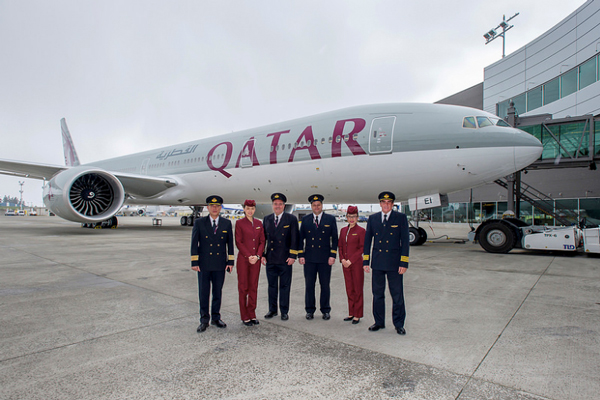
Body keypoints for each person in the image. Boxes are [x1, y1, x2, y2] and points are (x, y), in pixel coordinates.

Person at [363, 191, 409, 335]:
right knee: (377, 294)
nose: (386, 205)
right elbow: (367, 241)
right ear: (380, 204)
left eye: (389, 202)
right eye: (384, 202)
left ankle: (399, 324)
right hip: (377, 263)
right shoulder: (373, 218)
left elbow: (405, 242)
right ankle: (379, 322)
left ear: (393, 204)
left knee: (397, 295)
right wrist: (366, 261)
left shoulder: (400, 218)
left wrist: (404, 263)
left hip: (394, 263)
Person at [190, 195, 235, 333]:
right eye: (212, 206)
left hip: (220, 264)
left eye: (217, 206)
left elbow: (230, 244)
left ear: (220, 208)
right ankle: (204, 320)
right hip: (203, 264)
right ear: (208, 207)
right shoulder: (199, 222)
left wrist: (231, 261)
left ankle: (216, 318)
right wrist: (194, 261)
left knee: (217, 292)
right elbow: (194, 243)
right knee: (203, 293)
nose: (214, 208)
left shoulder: (226, 223)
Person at [298, 194, 338, 320]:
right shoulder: (305, 219)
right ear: (311, 206)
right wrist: (301, 255)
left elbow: (335, 239)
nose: (316, 207)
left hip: (325, 259)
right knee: (309, 285)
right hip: (309, 258)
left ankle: (325, 309)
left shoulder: (330, 219)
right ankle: (309, 310)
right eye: (314, 205)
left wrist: (333, 255)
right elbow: (300, 239)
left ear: (322, 206)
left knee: (325, 285)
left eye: (318, 205)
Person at [261, 193, 299, 321]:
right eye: (275, 204)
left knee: (284, 286)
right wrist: (262, 255)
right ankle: (272, 310)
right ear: (272, 205)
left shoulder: (291, 219)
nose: (278, 206)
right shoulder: (266, 219)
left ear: (284, 206)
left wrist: (293, 255)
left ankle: (284, 311)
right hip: (270, 259)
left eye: (280, 204)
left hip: (285, 259)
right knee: (271, 286)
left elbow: (295, 238)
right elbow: (263, 239)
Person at [235, 199, 265, 326]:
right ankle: (244, 315)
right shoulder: (239, 223)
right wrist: (249, 256)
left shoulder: (259, 223)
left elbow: (262, 241)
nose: (250, 211)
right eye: (248, 208)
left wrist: (258, 256)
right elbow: (238, 242)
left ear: (255, 209)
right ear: (244, 209)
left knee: (253, 287)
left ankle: (252, 314)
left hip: (256, 261)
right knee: (243, 288)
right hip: (244, 260)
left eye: (252, 208)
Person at [338, 206, 366, 324]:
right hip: (345, 265)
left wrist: (351, 260)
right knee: (349, 289)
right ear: (346, 217)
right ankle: (351, 312)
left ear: (357, 217)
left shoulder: (361, 231)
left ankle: (357, 314)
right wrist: (342, 259)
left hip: (356, 264)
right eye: (349, 217)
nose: (351, 219)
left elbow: (362, 248)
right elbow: (340, 246)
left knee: (357, 289)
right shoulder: (343, 230)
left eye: (354, 217)